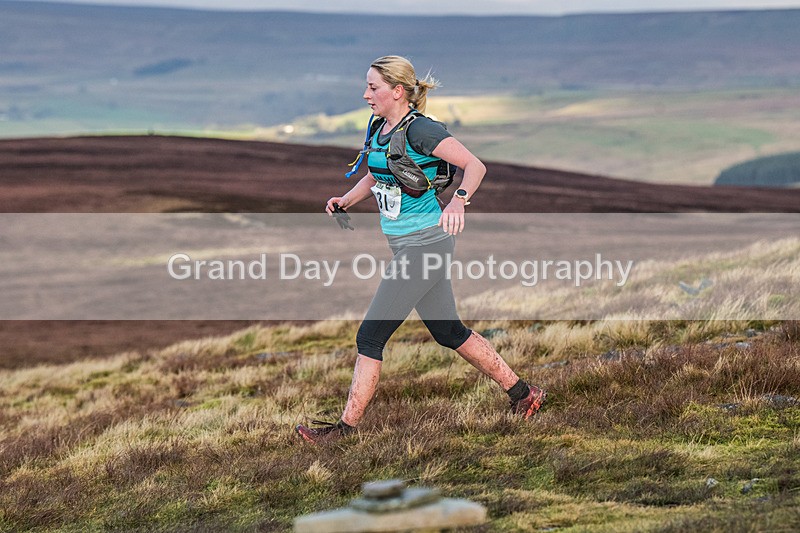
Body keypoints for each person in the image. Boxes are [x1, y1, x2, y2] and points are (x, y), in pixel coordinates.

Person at [295, 55, 546, 443]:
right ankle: (525, 394)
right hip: (406, 246)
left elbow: (475, 166)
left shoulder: (422, 130)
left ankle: (343, 433)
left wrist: (459, 200)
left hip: (427, 245)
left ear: (397, 91)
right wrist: (345, 199)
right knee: (449, 331)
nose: (365, 94)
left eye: (373, 87)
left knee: (369, 338)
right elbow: (376, 174)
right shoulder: (379, 126)